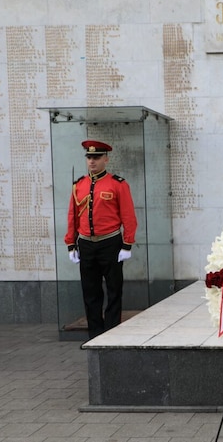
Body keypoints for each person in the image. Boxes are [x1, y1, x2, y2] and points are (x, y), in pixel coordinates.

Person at [65, 140, 138, 339]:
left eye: (96, 157)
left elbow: (128, 215)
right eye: (89, 157)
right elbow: (73, 216)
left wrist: (127, 243)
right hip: (86, 244)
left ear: (106, 158)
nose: (92, 161)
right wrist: (71, 243)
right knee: (91, 292)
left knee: (114, 290)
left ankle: (112, 334)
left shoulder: (117, 184)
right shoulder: (79, 185)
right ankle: (95, 336)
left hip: (110, 243)